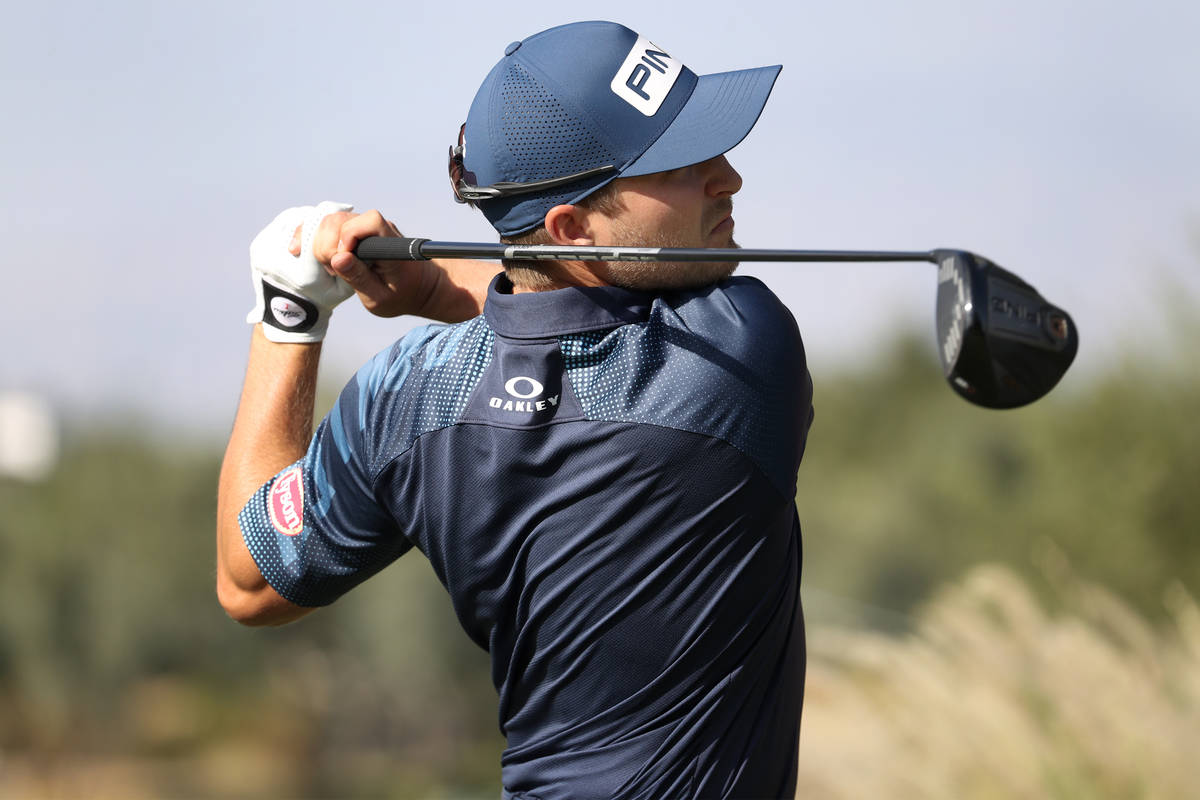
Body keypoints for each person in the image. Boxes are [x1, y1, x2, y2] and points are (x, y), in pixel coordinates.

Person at [217, 20, 814, 799]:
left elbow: (249, 582)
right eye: (681, 164)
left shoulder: (403, 399)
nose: (727, 177)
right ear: (573, 227)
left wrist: (289, 313)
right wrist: (439, 290)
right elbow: (580, 310)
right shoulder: (740, 353)